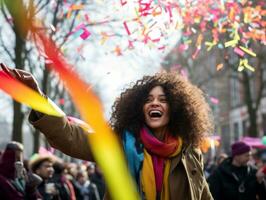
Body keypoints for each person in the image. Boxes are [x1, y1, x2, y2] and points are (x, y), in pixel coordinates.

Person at [1, 64, 214, 199]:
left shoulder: (189, 151)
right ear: (139, 108)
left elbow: (202, 193)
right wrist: (39, 101)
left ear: (175, 108)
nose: (154, 104)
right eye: (148, 100)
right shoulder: (119, 142)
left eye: (163, 99)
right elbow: (70, 137)